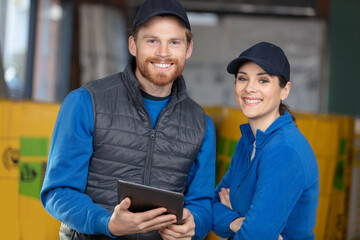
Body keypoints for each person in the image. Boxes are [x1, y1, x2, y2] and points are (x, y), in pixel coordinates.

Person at [40, 0, 216, 239]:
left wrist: (194, 224)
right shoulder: (85, 102)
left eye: (174, 42)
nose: (163, 52)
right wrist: (106, 223)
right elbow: (58, 191)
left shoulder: (201, 124)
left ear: (188, 48)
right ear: (133, 45)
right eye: (152, 40)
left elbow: (202, 202)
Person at [212, 42, 319, 240]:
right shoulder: (248, 143)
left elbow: (254, 236)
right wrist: (236, 222)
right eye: (243, 78)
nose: (249, 88)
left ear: (285, 90)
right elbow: (212, 205)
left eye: (263, 81)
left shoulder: (284, 150)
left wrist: (235, 220)